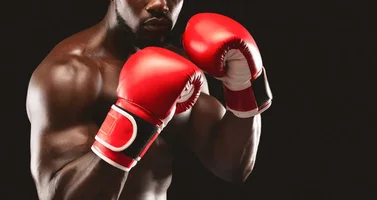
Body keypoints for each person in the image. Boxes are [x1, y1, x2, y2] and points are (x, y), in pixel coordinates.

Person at [25, 0, 272, 199]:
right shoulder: (70, 74)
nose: (159, 4)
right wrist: (134, 120)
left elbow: (233, 166)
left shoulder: (180, 68)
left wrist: (245, 88)